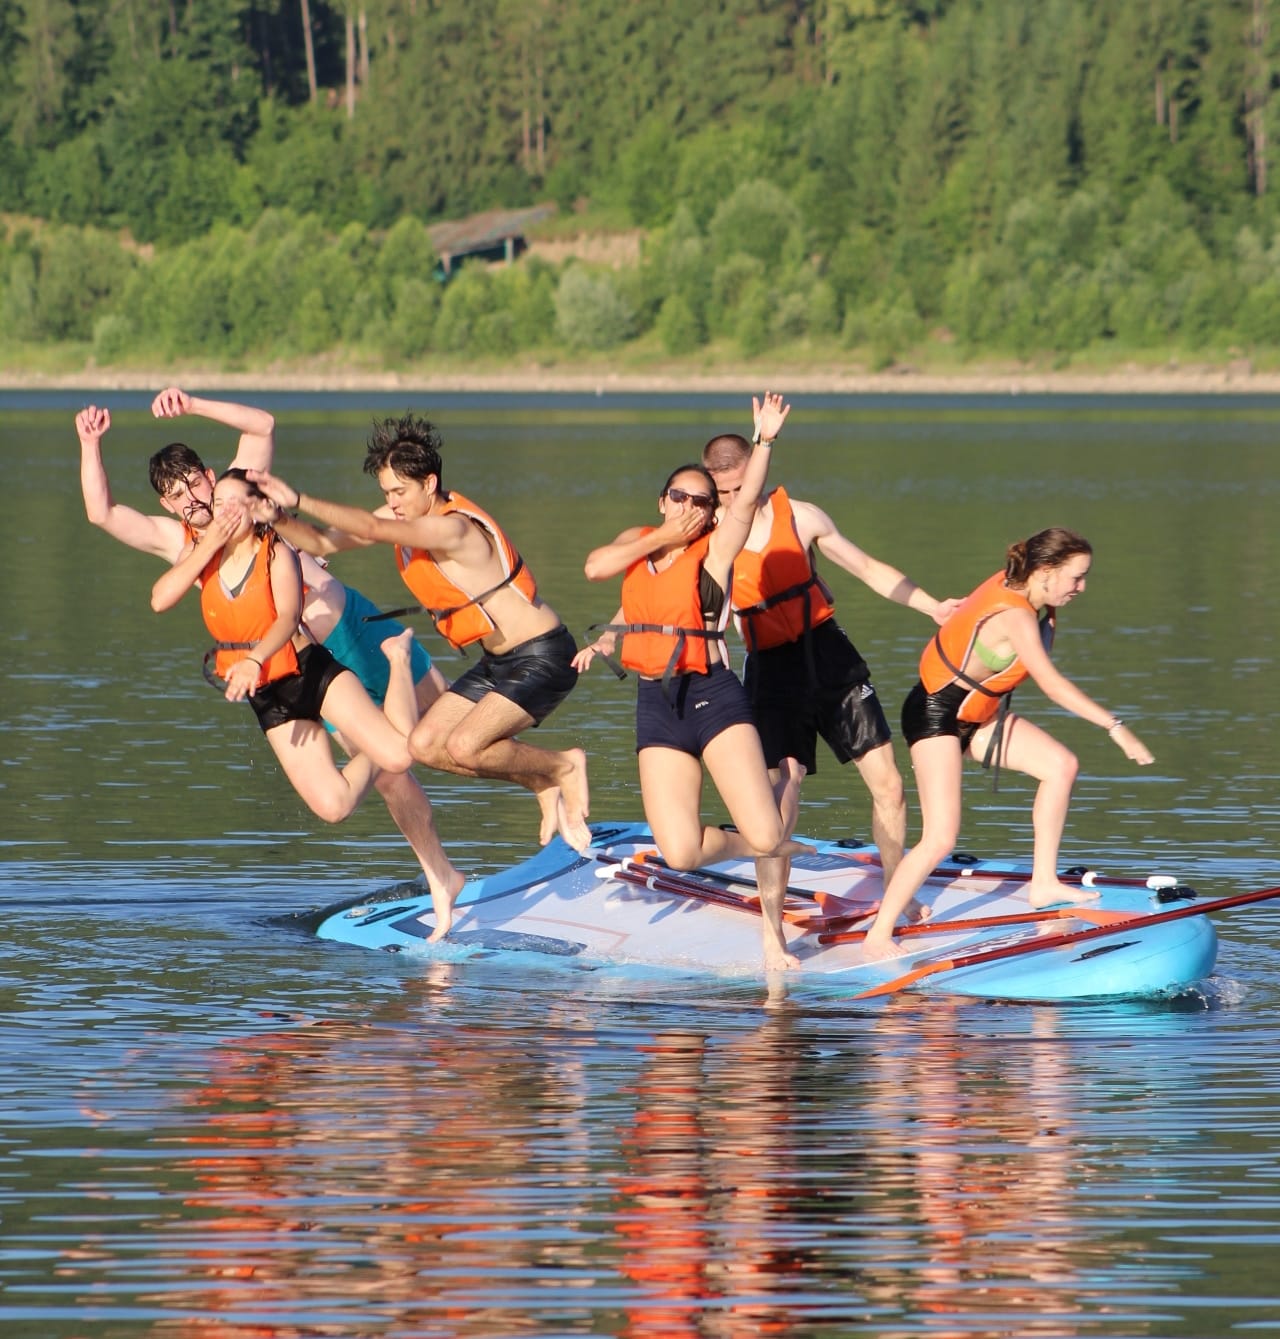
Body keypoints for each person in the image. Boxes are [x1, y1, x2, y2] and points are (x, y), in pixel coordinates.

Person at [76, 391, 464, 937]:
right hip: (291, 666)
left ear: (210, 477)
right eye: (176, 495)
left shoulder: (240, 493)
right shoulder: (179, 541)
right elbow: (102, 513)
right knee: (390, 773)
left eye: (194, 484)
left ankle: (549, 791)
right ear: (167, 504)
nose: (191, 499)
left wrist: (191, 404)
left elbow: (261, 424)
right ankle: (442, 877)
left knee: (454, 725)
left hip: (348, 628)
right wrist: (90, 444)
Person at [246, 413, 591, 853]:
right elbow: (323, 543)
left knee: (465, 745)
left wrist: (299, 497)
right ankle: (541, 780)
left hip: (543, 655)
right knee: (423, 744)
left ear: (429, 484)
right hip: (498, 662)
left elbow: (372, 528)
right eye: (386, 493)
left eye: (400, 491)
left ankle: (564, 766)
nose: (392, 502)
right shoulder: (404, 516)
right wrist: (276, 517)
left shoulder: (454, 527)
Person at [574, 393, 807, 971]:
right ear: (662, 501)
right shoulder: (638, 543)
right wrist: (658, 539)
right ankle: (757, 836)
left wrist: (764, 441)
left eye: (700, 502)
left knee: (768, 835)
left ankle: (773, 919)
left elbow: (746, 501)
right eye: (678, 497)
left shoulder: (715, 551)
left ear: (709, 514)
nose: (688, 508)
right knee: (679, 852)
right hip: (657, 703)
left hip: (712, 695)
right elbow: (595, 567)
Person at [860, 527, 1155, 961]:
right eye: (1076, 577)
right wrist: (1115, 726)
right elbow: (1051, 684)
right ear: (1046, 571)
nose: (1081, 587)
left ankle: (1043, 883)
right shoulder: (1015, 615)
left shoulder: (1029, 591)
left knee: (1060, 765)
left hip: (978, 714)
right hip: (936, 713)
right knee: (940, 837)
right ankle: (879, 933)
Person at [701, 431, 959, 909]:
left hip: (828, 654)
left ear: (758, 472)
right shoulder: (712, 536)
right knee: (782, 789)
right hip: (770, 669)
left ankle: (896, 890)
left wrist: (933, 607)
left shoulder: (801, 517)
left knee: (889, 783)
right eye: (725, 493)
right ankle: (773, 920)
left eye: (742, 487)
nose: (737, 500)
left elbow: (868, 568)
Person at [151, 468, 424, 823]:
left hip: (308, 669)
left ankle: (398, 658)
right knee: (334, 807)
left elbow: (288, 617)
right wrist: (207, 546)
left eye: (236, 502)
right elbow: (160, 600)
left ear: (255, 508)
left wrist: (255, 659)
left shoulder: (277, 552)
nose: (227, 511)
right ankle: (382, 725)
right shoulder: (202, 556)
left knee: (400, 757)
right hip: (269, 694)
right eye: (220, 503)